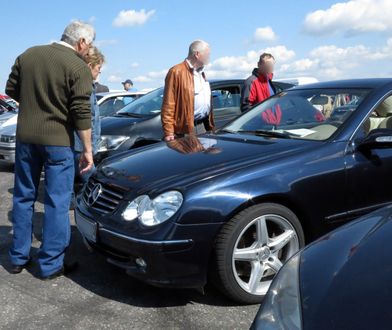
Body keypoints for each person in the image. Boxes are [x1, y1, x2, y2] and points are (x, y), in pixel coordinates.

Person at [5, 20, 95, 280]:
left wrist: (35, 105)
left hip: (25, 138)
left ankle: (17, 258)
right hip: (57, 142)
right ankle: (50, 264)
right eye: (89, 46)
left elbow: (11, 88)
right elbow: (81, 111)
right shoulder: (78, 66)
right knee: (57, 201)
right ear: (81, 42)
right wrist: (87, 149)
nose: (89, 51)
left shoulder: (28, 54)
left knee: (23, 197)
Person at [161, 40, 214, 141]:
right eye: (207, 54)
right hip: (185, 131)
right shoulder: (176, 72)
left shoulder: (201, 73)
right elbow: (168, 104)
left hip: (203, 127)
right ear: (197, 54)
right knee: (190, 156)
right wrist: (168, 132)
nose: (209, 57)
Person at [74, 46, 104, 185]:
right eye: (98, 67)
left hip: (80, 145)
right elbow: (87, 117)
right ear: (90, 65)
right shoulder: (84, 84)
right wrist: (89, 148)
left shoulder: (86, 84)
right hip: (81, 146)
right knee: (92, 181)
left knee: (75, 180)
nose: (99, 71)